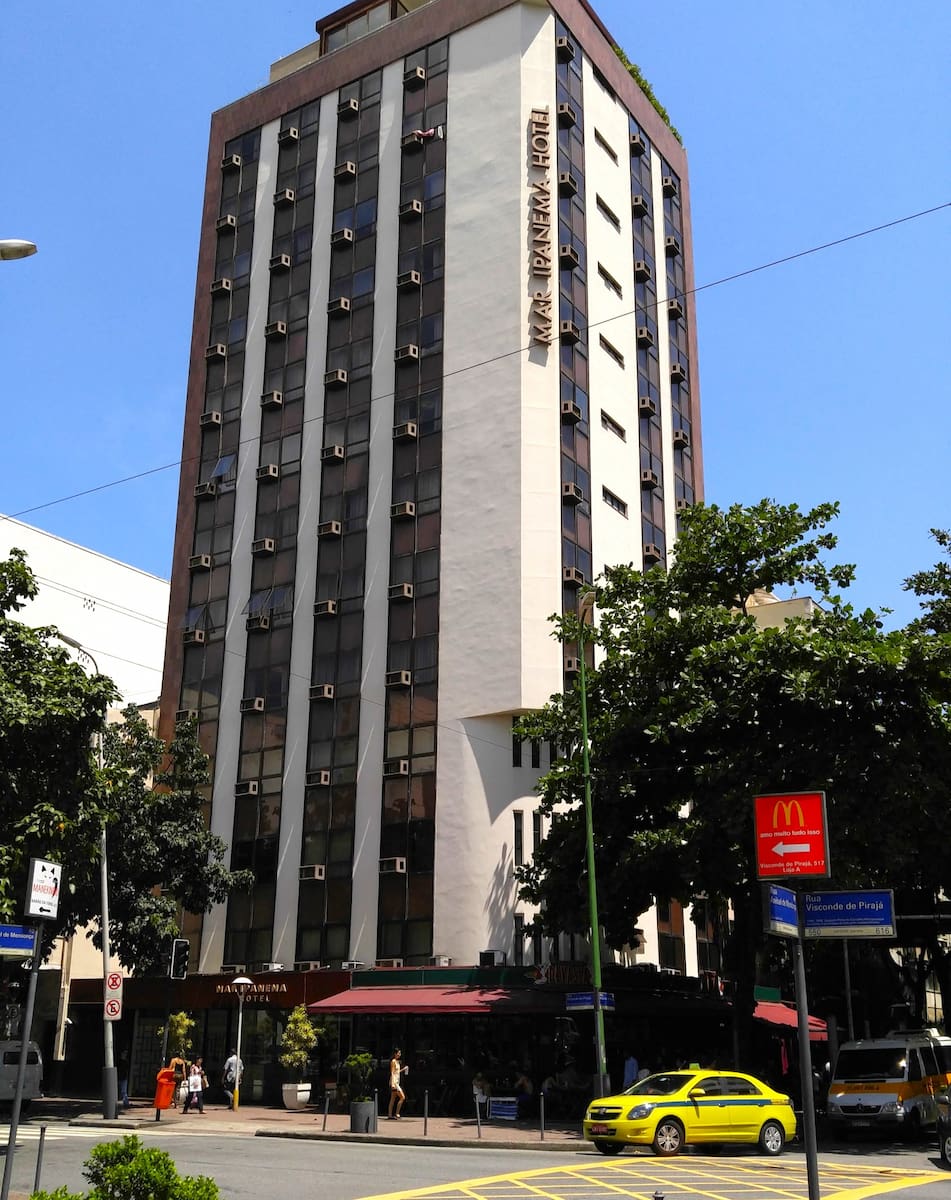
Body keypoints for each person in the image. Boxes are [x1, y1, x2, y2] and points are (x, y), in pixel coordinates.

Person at [387, 1047, 408, 1119]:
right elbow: (392, 1072)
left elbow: (397, 1072)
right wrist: (393, 1083)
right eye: (398, 1053)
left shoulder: (397, 1061)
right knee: (402, 1097)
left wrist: (403, 1069)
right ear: (395, 1054)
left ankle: (390, 1115)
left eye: (400, 1053)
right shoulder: (393, 1061)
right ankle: (397, 1113)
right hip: (395, 1082)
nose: (400, 1054)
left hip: (396, 1082)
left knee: (392, 1098)